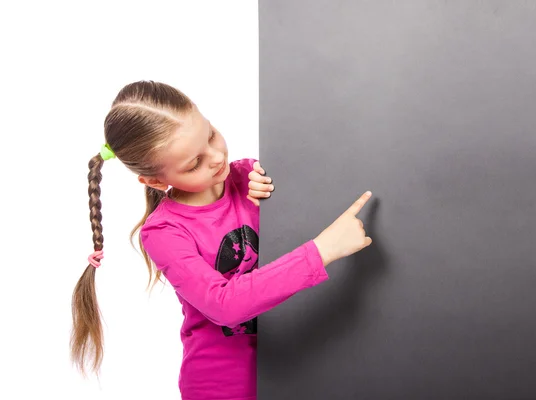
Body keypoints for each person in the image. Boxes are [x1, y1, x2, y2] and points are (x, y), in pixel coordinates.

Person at [70, 80, 373, 400]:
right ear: (156, 181)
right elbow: (224, 304)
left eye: (211, 135)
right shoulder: (164, 233)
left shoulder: (252, 176)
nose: (216, 157)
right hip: (223, 386)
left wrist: (278, 198)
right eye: (194, 163)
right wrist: (321, 251)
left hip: (304, 365)